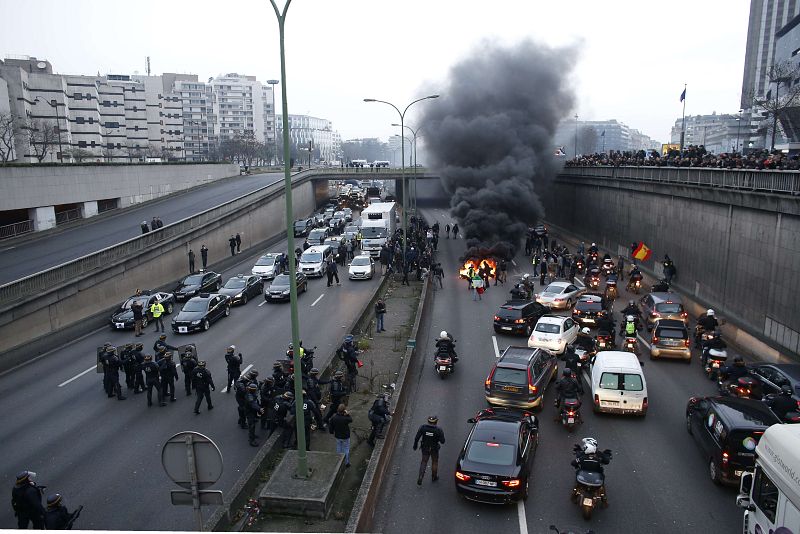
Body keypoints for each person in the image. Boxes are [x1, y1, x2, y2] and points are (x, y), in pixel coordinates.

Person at [413, 415, 446, 485]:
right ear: (436, 422)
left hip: (425, 447)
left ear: (428, 421)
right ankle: (434, 476)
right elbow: (443, 441)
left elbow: (417, 438)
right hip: (434, 449)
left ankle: (420, 477)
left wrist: (415, 445)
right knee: (434, 462)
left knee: (424, 461)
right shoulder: (438, 430)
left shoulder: (423, 428)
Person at [244, 382, 263, 447]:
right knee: (251, 426)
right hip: (250, 412)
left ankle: (253, 435)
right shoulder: (249, 396)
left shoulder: (251, 393)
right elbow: (253, 404)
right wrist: (259, 409)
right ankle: (251, 440)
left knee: (253, 424)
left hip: (252, 411)